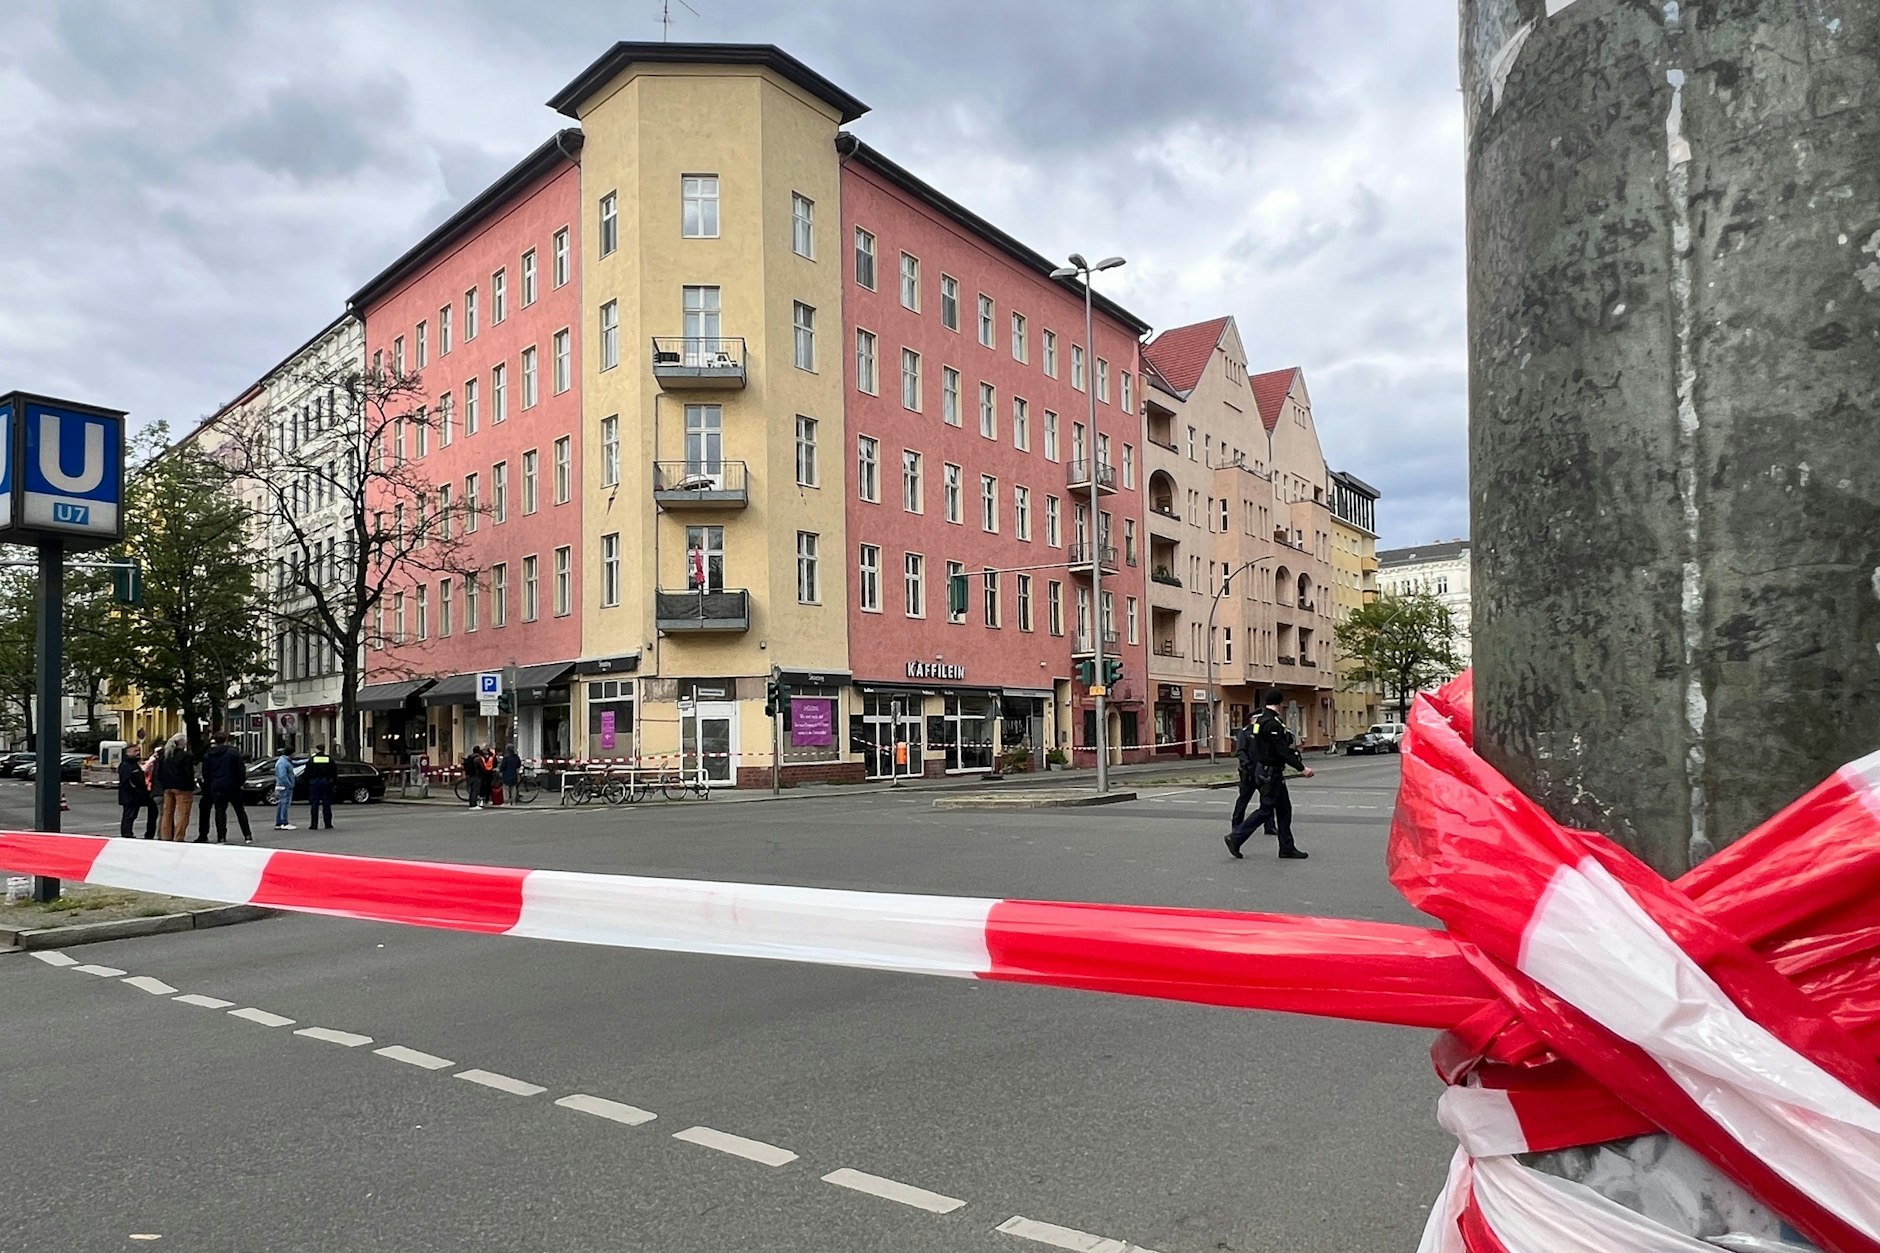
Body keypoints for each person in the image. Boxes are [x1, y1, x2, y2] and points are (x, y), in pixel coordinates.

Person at [1225, 689, 1314, 860]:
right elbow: (1281, 750)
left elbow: (1262, 744)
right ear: (1279, 704)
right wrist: (1302, 768)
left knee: (1284, 809)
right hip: (1271, 772)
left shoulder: (1260, 721)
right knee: (1266, 810)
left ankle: (1287, 847)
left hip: (1265, 769)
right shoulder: (1271, 723)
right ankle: (1236, 837)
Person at [1230, 709, 1277, 839]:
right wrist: (1247, 766)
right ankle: (1237, 825)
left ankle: (1269, 826)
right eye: (1258, 719)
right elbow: (1241, 751)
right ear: (1252, 719)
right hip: (1249, 772)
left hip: (1263, 771)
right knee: (1244, 799)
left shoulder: (1263, 732)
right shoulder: (1245, 733)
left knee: (1266, 800)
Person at [201, 731, 254, 845]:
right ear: (226, 740)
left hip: (217, 785)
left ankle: (221, 837)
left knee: (220, 812)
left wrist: (209, 785)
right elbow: (241, 769)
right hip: (233, 785)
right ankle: (247, 835)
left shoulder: (208, 755)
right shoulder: (233, 753)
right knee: (240, 810)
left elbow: (206, 772)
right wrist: (241, 783)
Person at [154, 732, 196, 843]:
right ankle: (178, 836)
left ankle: (166, 835)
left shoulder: (165, 755)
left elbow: (159, 772)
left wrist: (164, 784)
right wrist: (192, 786)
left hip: (167, 787)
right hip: (183, 788)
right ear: (182, 743)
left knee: (167, 813)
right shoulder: (185, 756)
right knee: (183, 813)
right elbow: (188, 773)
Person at [117, 742, 155, 838]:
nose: (138, 753)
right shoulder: (126, 765)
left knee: (132, 815)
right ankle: (126, 834)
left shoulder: (134, 764)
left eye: (138, 750)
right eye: (135, 751)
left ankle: (128, 833)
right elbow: (127, 781)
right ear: (128, 752)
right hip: (130, 795)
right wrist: (136, 789)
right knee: (129, 815)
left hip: (135, 795)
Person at [305, 744, 337, 830]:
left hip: (314, 783)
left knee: (314, 804)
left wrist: (308, 782)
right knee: (326, 804)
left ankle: (314, 824)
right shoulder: (329, 759)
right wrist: (333, 783)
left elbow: (307, 772)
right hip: (326, 783)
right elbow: (334, 772)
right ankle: (328, 824)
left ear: (317, 750)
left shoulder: (312, 760)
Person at [273, 746, 297, 831]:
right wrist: (289, 784)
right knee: (284, 804)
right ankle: (284, 822)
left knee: (281, 804)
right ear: (291, 753)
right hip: (284, 786)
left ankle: (279, 823)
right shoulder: (283, 763)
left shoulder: (284, 761)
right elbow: (282, 776)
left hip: (282, 786)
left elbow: (296, 763)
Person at [463, 745, 486, 809]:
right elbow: (482, 767)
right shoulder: (478, 758)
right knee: (475, 790)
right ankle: (474, 805)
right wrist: (483, 773)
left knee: (472, 790)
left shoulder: (470, 757)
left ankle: (471, 803)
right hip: (476, 776)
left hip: (470, 776)